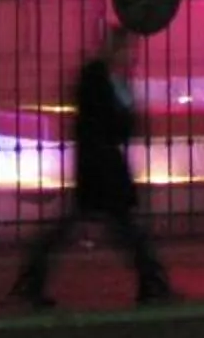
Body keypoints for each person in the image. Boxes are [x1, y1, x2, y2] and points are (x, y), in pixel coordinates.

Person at [13, 24, 172, 308]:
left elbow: (118, 124)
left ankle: (32, 278)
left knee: (100, 226)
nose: (130, 55)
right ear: (115, 48)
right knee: (122, 228)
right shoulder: (98, 78)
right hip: (101, 166)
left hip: (101, 166)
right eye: (127, 49)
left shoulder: (106, 77)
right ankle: (152, 282)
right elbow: (110, 124)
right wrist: (126, 111)